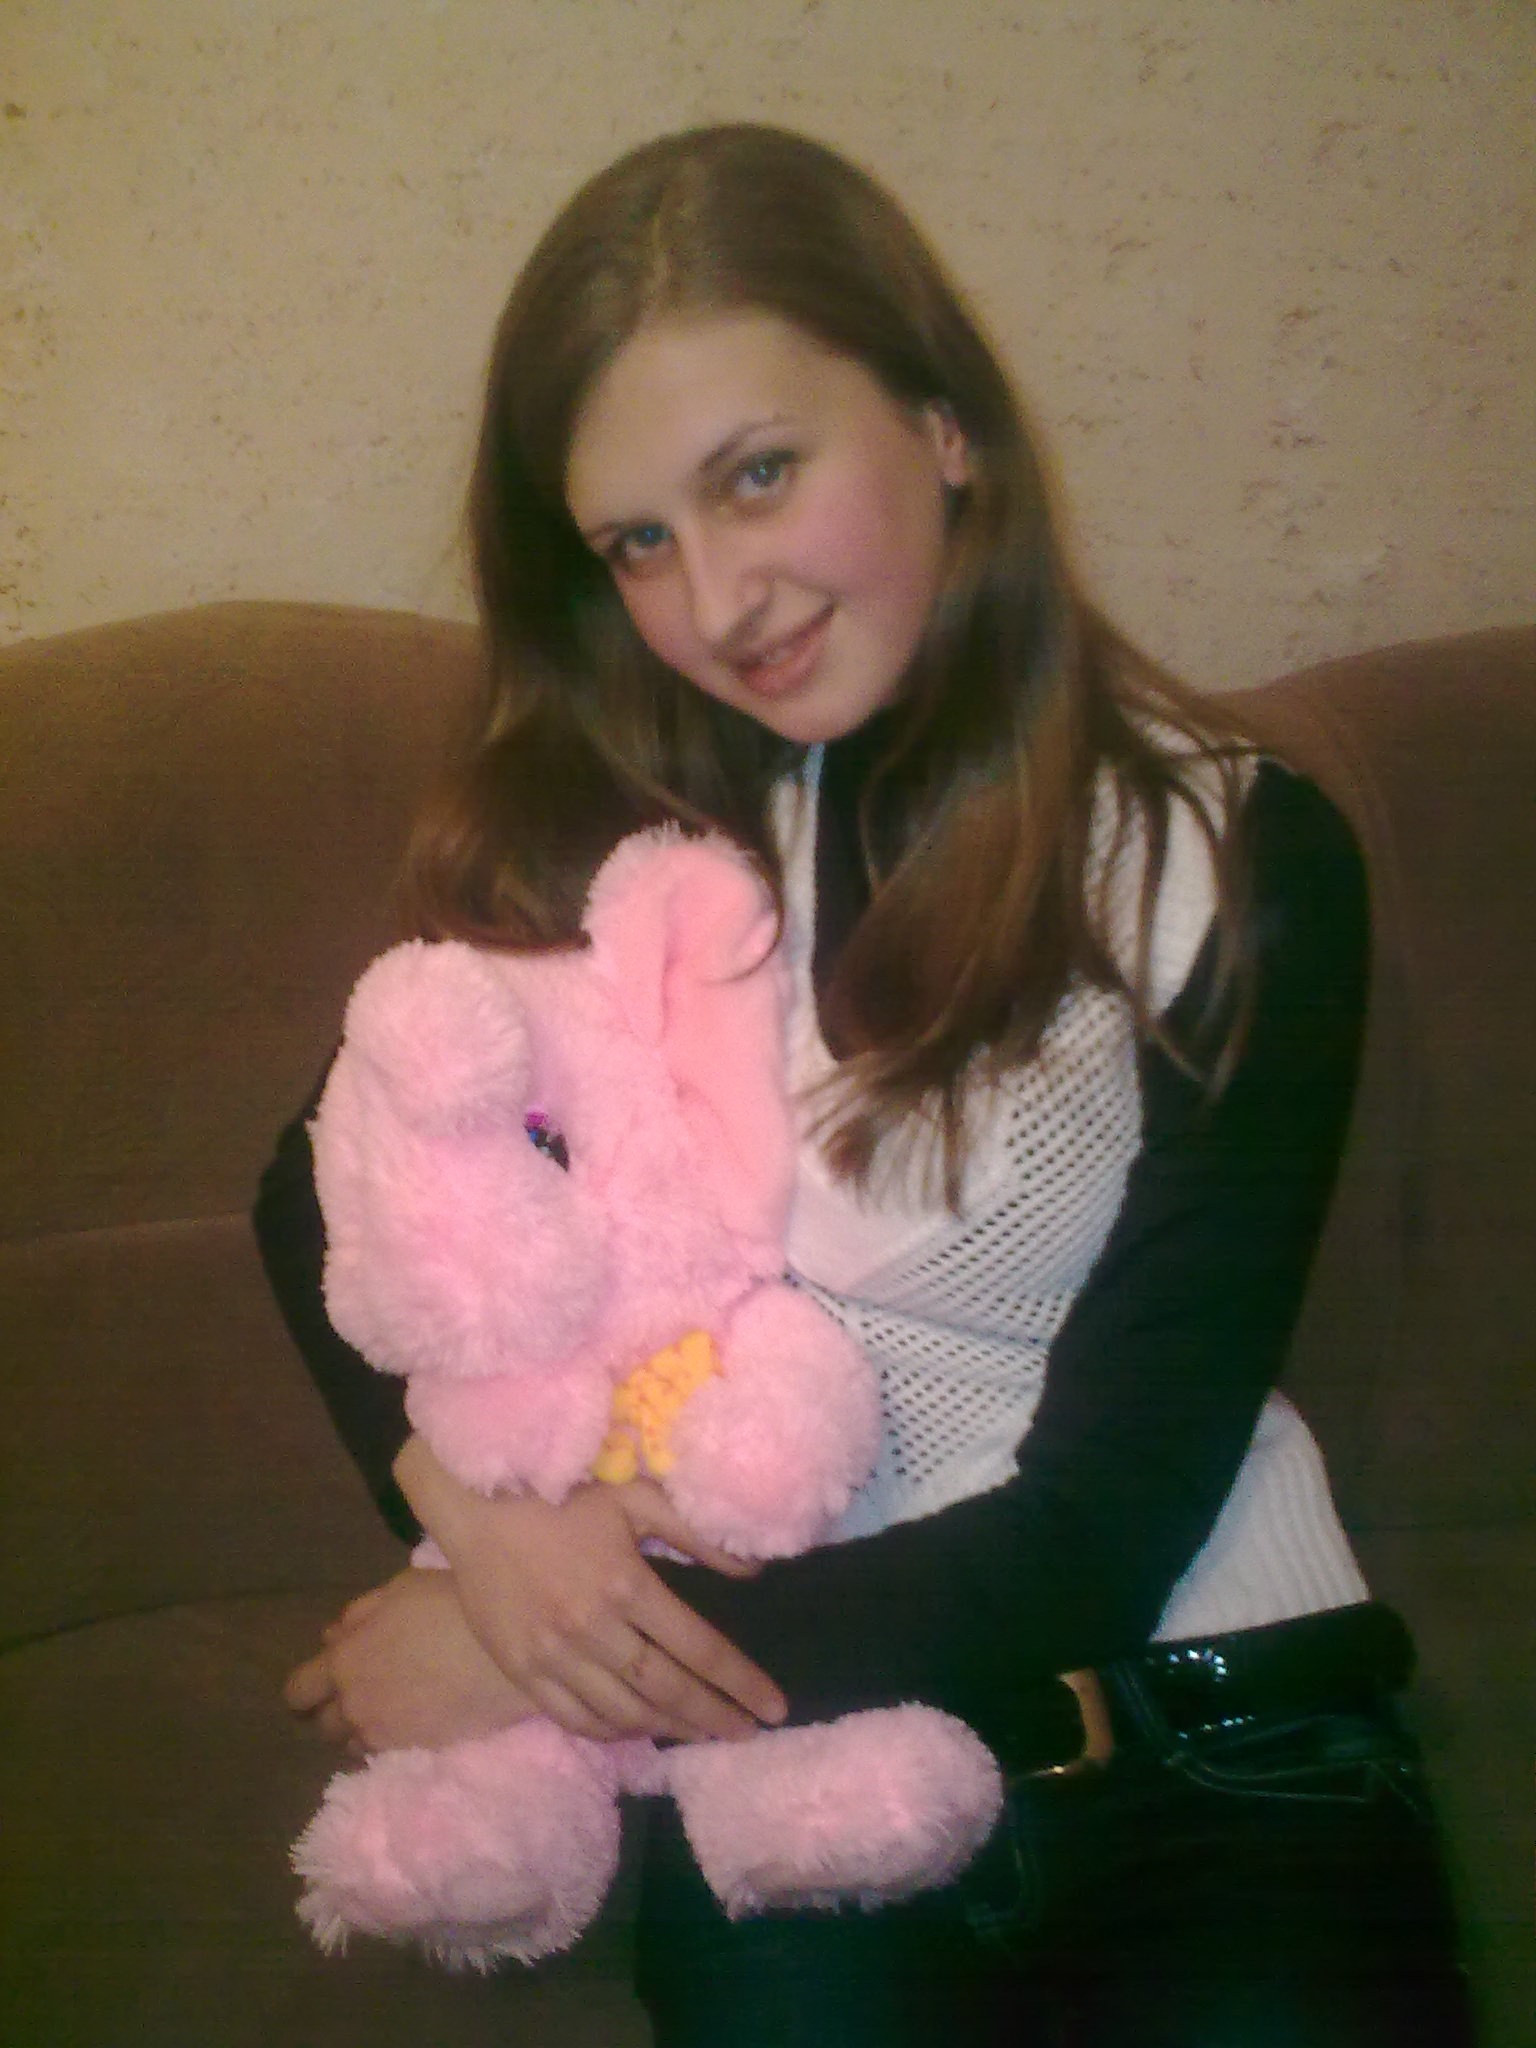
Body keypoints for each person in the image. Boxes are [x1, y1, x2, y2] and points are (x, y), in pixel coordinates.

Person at [259, 125, 1473, 2046]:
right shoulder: (639, 834)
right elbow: (307, 1183)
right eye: (637, 542)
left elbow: (1107, 1526)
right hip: (794, 1818)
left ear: (944, 422)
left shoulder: (1238, 861)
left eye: (758, 475)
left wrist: (570, 1666)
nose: (718, 599)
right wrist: (494, 1541)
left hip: (1223, 1755)